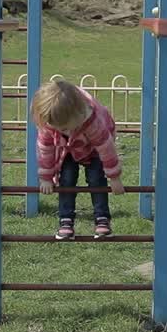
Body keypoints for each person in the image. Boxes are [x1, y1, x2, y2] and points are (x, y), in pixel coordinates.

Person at [32, 79, 125, 240]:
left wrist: (114, 177)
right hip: (67, 148)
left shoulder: (93, 121)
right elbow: (45, 151)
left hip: (94, 148)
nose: (65, 131)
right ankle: (65, 220)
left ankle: (102, 219)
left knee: (96, 178)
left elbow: (106, 149)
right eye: (61, 129)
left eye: (67, 127)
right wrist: (46, 178)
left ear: (78, 114)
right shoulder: (49, 123)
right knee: (66, 178)